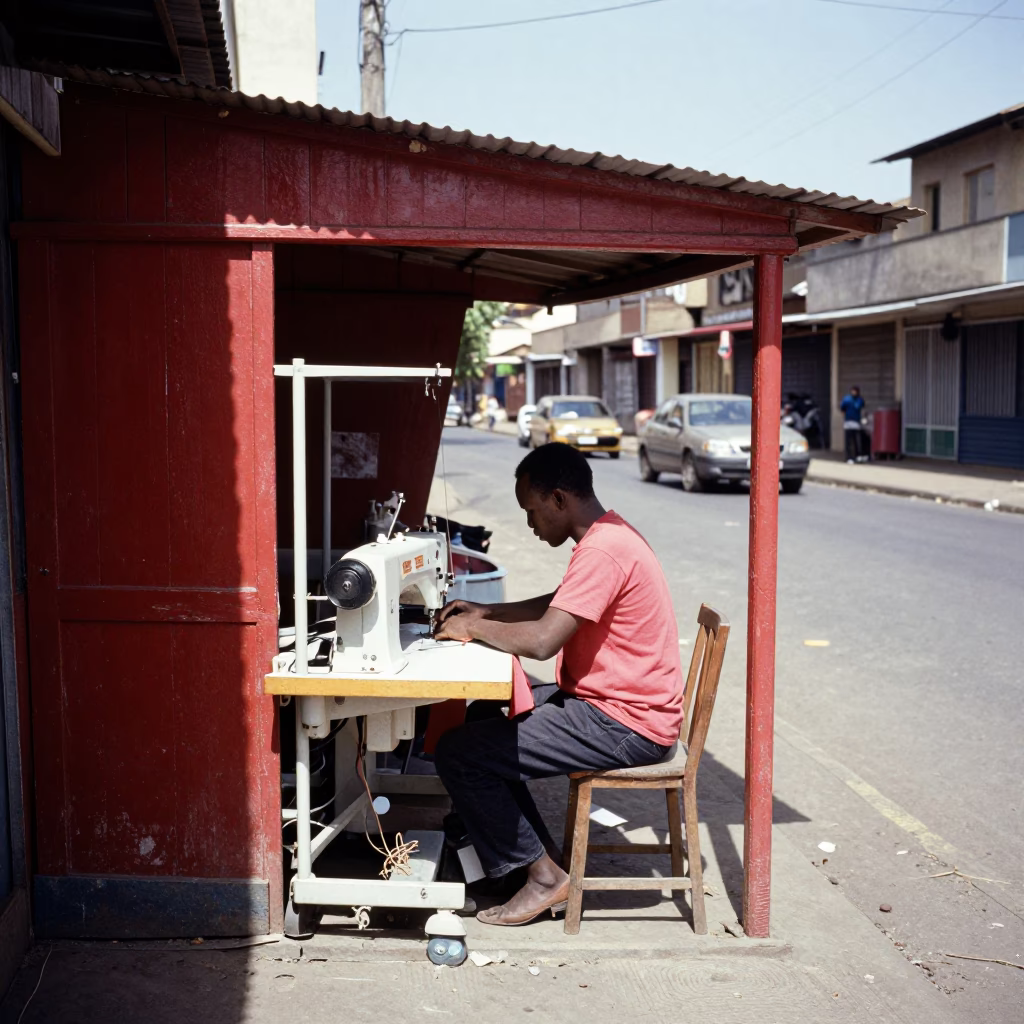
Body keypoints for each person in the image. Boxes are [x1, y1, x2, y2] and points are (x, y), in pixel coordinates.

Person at [433, 443, 683, 927]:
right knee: (486, 713)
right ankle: (533, 858)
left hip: (627, 722)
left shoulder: (605, 550)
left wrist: (472, 628)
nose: (531, 525)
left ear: (560, 499)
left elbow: (545, 640)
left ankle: (545, 879)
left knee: (458, 753)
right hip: (613, 703)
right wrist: (488, 611)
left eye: (532, 511)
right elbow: (562, 602)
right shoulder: (607, 536)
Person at [840, 385, 866, 464]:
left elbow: (862, 408)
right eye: (853, 391)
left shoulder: (859, 400)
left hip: (856, 423)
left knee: (856, 441)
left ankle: (857, 456)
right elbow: (842, 409)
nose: (854, 392)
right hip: (848, 422)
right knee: (848, 442)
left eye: (855, 391)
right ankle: (848, 457)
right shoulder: (847, 399)